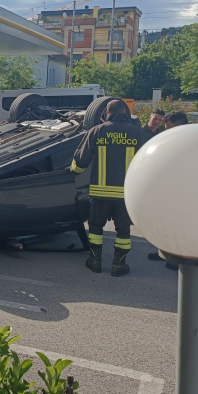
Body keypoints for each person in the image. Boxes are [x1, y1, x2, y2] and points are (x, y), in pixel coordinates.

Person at [70, 100, 142, 277]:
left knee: (95, 227)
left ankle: (95, 261)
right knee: (123, 230)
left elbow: (81, 161)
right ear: (125, 112)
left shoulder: (97, 131)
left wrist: (72, 172)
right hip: (126, 194)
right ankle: (119, 265)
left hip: (100, 193)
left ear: (106, 113)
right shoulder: (138, 133)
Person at [148, 110, 190, 269]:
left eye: (169, 128)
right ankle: (164, 251)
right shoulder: (175, 139)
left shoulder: (189, 140)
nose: (166, 132)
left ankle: (178, 259)